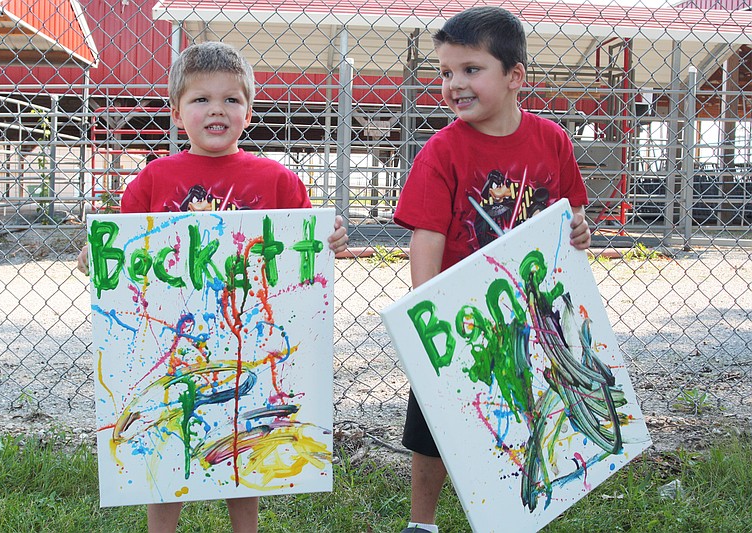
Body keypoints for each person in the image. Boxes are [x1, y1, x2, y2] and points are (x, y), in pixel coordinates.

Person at [77, 41, 348, 533]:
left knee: (243, 437)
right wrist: (96, 256)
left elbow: (301, 251)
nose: (216, 110)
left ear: (249, 110)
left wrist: (331, 239)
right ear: (178, 111)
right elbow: (124, 251)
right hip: (173, 340)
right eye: (201, 99)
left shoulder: (279, 181)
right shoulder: (155, 178)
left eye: (231, 100)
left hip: (247, 335)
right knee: (167, 436)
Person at [392, 7, 591, 533]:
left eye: (470, 70)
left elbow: (571, 213)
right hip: (460, 318)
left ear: (514, 76)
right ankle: (422, 522)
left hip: (536, 315)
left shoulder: (552, 141)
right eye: (445, 73)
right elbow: (427, 237)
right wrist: (425, 317)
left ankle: (524, 506)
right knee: (431, 423)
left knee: (531, 407)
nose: (454, 84)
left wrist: (580, 231)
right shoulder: (442, 151)